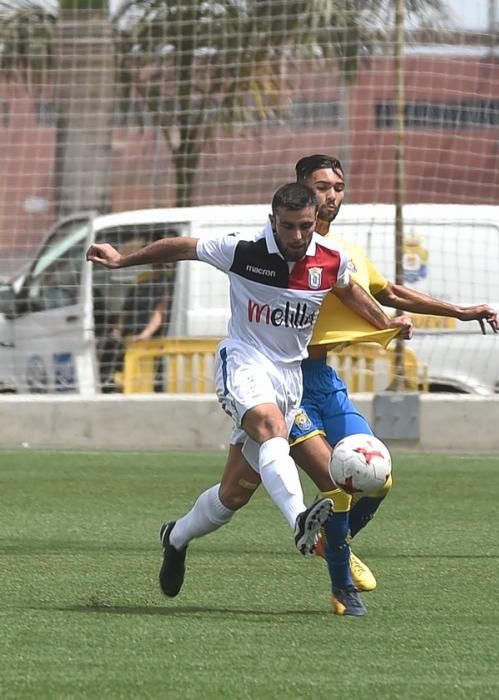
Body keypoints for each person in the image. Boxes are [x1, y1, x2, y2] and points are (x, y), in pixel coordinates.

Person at [159, 156, 499, 617]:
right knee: (334, 482)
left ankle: (201, 536)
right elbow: (193, 248)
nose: (332, 196)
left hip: (316, 381)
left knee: (363, 477)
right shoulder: (262, 246)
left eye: (339, 186)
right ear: (298, 191)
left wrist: (457, 312)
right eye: (321, 186)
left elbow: (387, 294)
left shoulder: (340, 255)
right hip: (267, 375)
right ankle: (341, 583)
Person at [86, 182, 409, 605]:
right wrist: (123, 260)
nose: (296, 236)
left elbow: (349, 291)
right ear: (273, 220)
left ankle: (176, 537)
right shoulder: (244, 249)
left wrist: (385, 321)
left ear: (315, 223)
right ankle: (300, 523)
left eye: (305, 227)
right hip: (243, 362)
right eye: (288, 226)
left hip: (289, 379)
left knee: (234, 494)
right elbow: (182, 246)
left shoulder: (331, 259)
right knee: (272, 426)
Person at [97, 263, 170, 391]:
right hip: (130, 334)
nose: (157, 268)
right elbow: (125, 311)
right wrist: (117, 330)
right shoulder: (140, 285)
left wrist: (145, 334)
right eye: (155, 265)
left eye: (160, 266)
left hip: (151, 338)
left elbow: (159, 313)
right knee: (108, 344)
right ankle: (109, 382)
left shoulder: (167, 286)